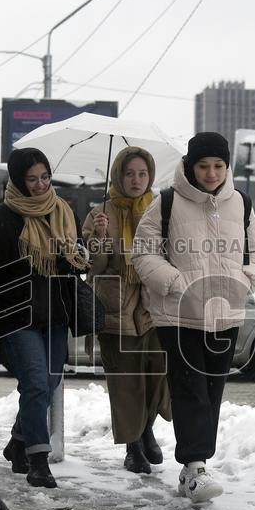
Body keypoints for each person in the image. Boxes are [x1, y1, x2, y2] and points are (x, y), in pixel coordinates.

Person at [132, 132, 255, 504]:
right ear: (190, 166)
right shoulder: (167, 202)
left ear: (227, 167)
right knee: (189, 389)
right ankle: (194, 468)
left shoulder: (242, 203)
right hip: (178, 314)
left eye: (218, 166)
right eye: (204, 166)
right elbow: (142, 254)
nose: (211, 173)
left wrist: (245, 279)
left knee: (211, 392)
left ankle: (195, 465)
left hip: (226, 311)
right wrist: (175, 282)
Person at [0, 147, 89, 488]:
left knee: (47, 385)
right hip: (17, 318)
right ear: (18, 180)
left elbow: (79, 262)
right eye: (32, 179)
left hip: (57, 315)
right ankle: (38, 460)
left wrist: (81, 252)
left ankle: (19, 440)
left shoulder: (64, 212)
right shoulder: (1, 220)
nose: (40, 185)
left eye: (45, 177)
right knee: (35, 383)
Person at [82, 147, 171, 474]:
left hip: (154, 307)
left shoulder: (161, 210)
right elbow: (92, 266)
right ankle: (134, 446)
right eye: (129, 173)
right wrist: (101, 238)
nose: (136, 180)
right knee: (125, 381)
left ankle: (146, 428)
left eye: (142, 174)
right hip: (116, 308)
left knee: (157, 376)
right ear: (118, 175)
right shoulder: (100, 214)